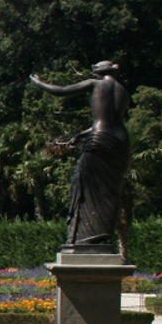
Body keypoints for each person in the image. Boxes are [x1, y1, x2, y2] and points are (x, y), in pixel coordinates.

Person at [29, 61, 130, 247]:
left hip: (99, 138)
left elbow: (60, 90)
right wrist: (80, 135)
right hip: (120, 141)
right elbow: (111, 119)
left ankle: (85, 237)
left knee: (84, 183)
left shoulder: (96, 84)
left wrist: (38, 82)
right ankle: (102, 235)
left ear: (99, 72)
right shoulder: (123, 91)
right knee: (109, 189)